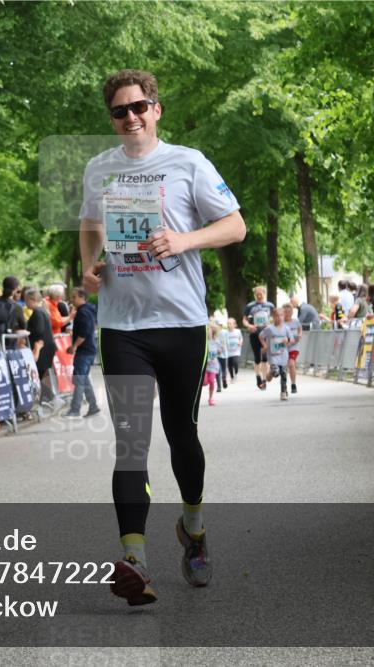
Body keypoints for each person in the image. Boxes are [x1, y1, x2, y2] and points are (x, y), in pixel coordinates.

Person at [79, 69, 246, 605]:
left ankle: (193, 528)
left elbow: (236, 226)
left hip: (181, 322)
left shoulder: (188, 162)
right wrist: (88, 265)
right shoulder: (98, 169)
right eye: (119, 111)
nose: (130, 118)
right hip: (122, 325)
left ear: (156, 109)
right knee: (131, 446)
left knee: (183, 436)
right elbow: (89, 226)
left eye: (138, 107)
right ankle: (135, 561)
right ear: (111, 118)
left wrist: (184, 240)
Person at [63, 287, 100, 418]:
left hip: (84, 351)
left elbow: (84, 333)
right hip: (88, 349)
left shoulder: (83, 312)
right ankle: (93, 406)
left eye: (74, 297)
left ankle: (75, 409)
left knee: (79, 379)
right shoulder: (87, 310)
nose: (72, 300)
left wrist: (74, 346)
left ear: (81, 297)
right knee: (83, 379)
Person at [24, 288, 56, 403]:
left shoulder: (38, 312)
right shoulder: (43, 311)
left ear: (32, 300)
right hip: (47, 346)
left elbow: (39, 330)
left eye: (26, 300)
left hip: (43, 348)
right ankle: (47, 398)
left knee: (38, 374)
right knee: (40, 375)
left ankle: (50, 398)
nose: (25, 303)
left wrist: (27, 331)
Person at [243, 286, 275, 390]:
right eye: (257, 294)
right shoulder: (250, 306)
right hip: (254, 334)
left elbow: (275, 318)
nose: (259, 295)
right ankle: (258, 378)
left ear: (264, 293)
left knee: (265, 358)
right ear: (254, 294)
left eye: (260, 294)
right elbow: (244, 320)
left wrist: (272, 325)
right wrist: (249, 326)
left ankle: (264, 380)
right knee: (257, 358)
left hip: (266, 334)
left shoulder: (270, 305)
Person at [259, 306, 294, 401]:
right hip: (273, 356)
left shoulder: (286, 328)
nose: (279, 317)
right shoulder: (269, 329)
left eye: (281, 315)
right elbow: (261, 336)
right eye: (277, 316)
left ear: (284, 316)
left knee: (283, 373)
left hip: (283, 355)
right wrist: (265, 345)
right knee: (276, 373)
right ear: (273, 317)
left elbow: (292, 340)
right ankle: (271, 373)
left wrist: (288, 340)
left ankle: (283, 392)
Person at [282, 303, 302, 394]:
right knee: (284, 367)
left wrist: (299, 336)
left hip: (294, 347)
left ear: (292, 312)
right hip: (284, 348)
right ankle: (284, 385)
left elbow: (300, 332)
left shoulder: (296, 322)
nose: (287, 313)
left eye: (289, 311)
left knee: (291, 364)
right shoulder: (280, 323)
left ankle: (293, 384)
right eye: (285, 312)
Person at [202, 324, 221, 406]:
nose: (209, 332)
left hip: (213, 365)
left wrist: (220, 351)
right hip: (205, 366)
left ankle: (211, 398)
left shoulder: (217, 341)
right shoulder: (204, 341)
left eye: (211, 330)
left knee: (212, 381)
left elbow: (219, 350)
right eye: (208, 330)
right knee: (205, 382)